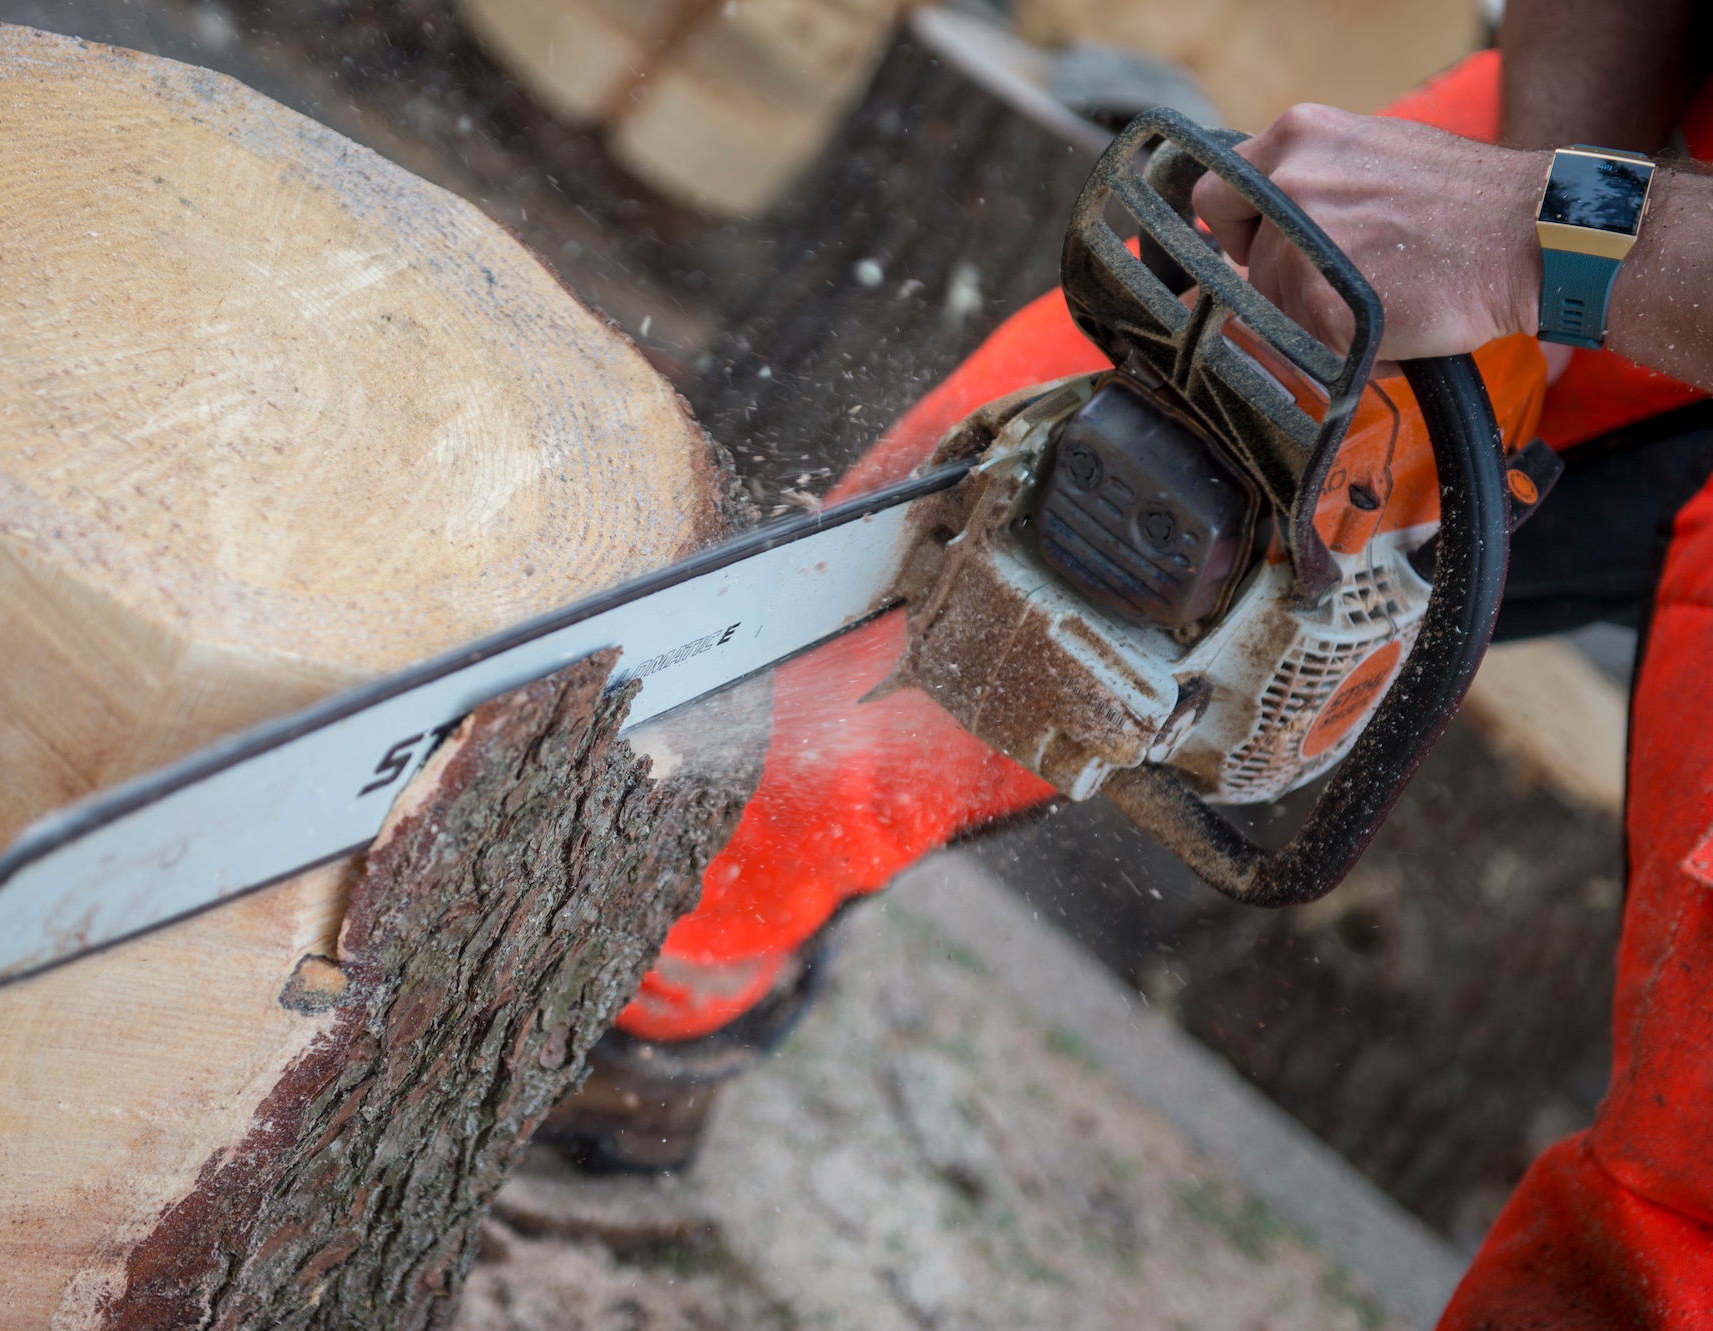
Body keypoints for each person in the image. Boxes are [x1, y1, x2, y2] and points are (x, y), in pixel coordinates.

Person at [548, 2, 1713, 1322]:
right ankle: (642, 1012)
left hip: (1638, 236)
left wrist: (1556, 241)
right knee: (1006, 545)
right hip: (1652, 165)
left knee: (1688, 1183)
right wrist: (1545, 204)